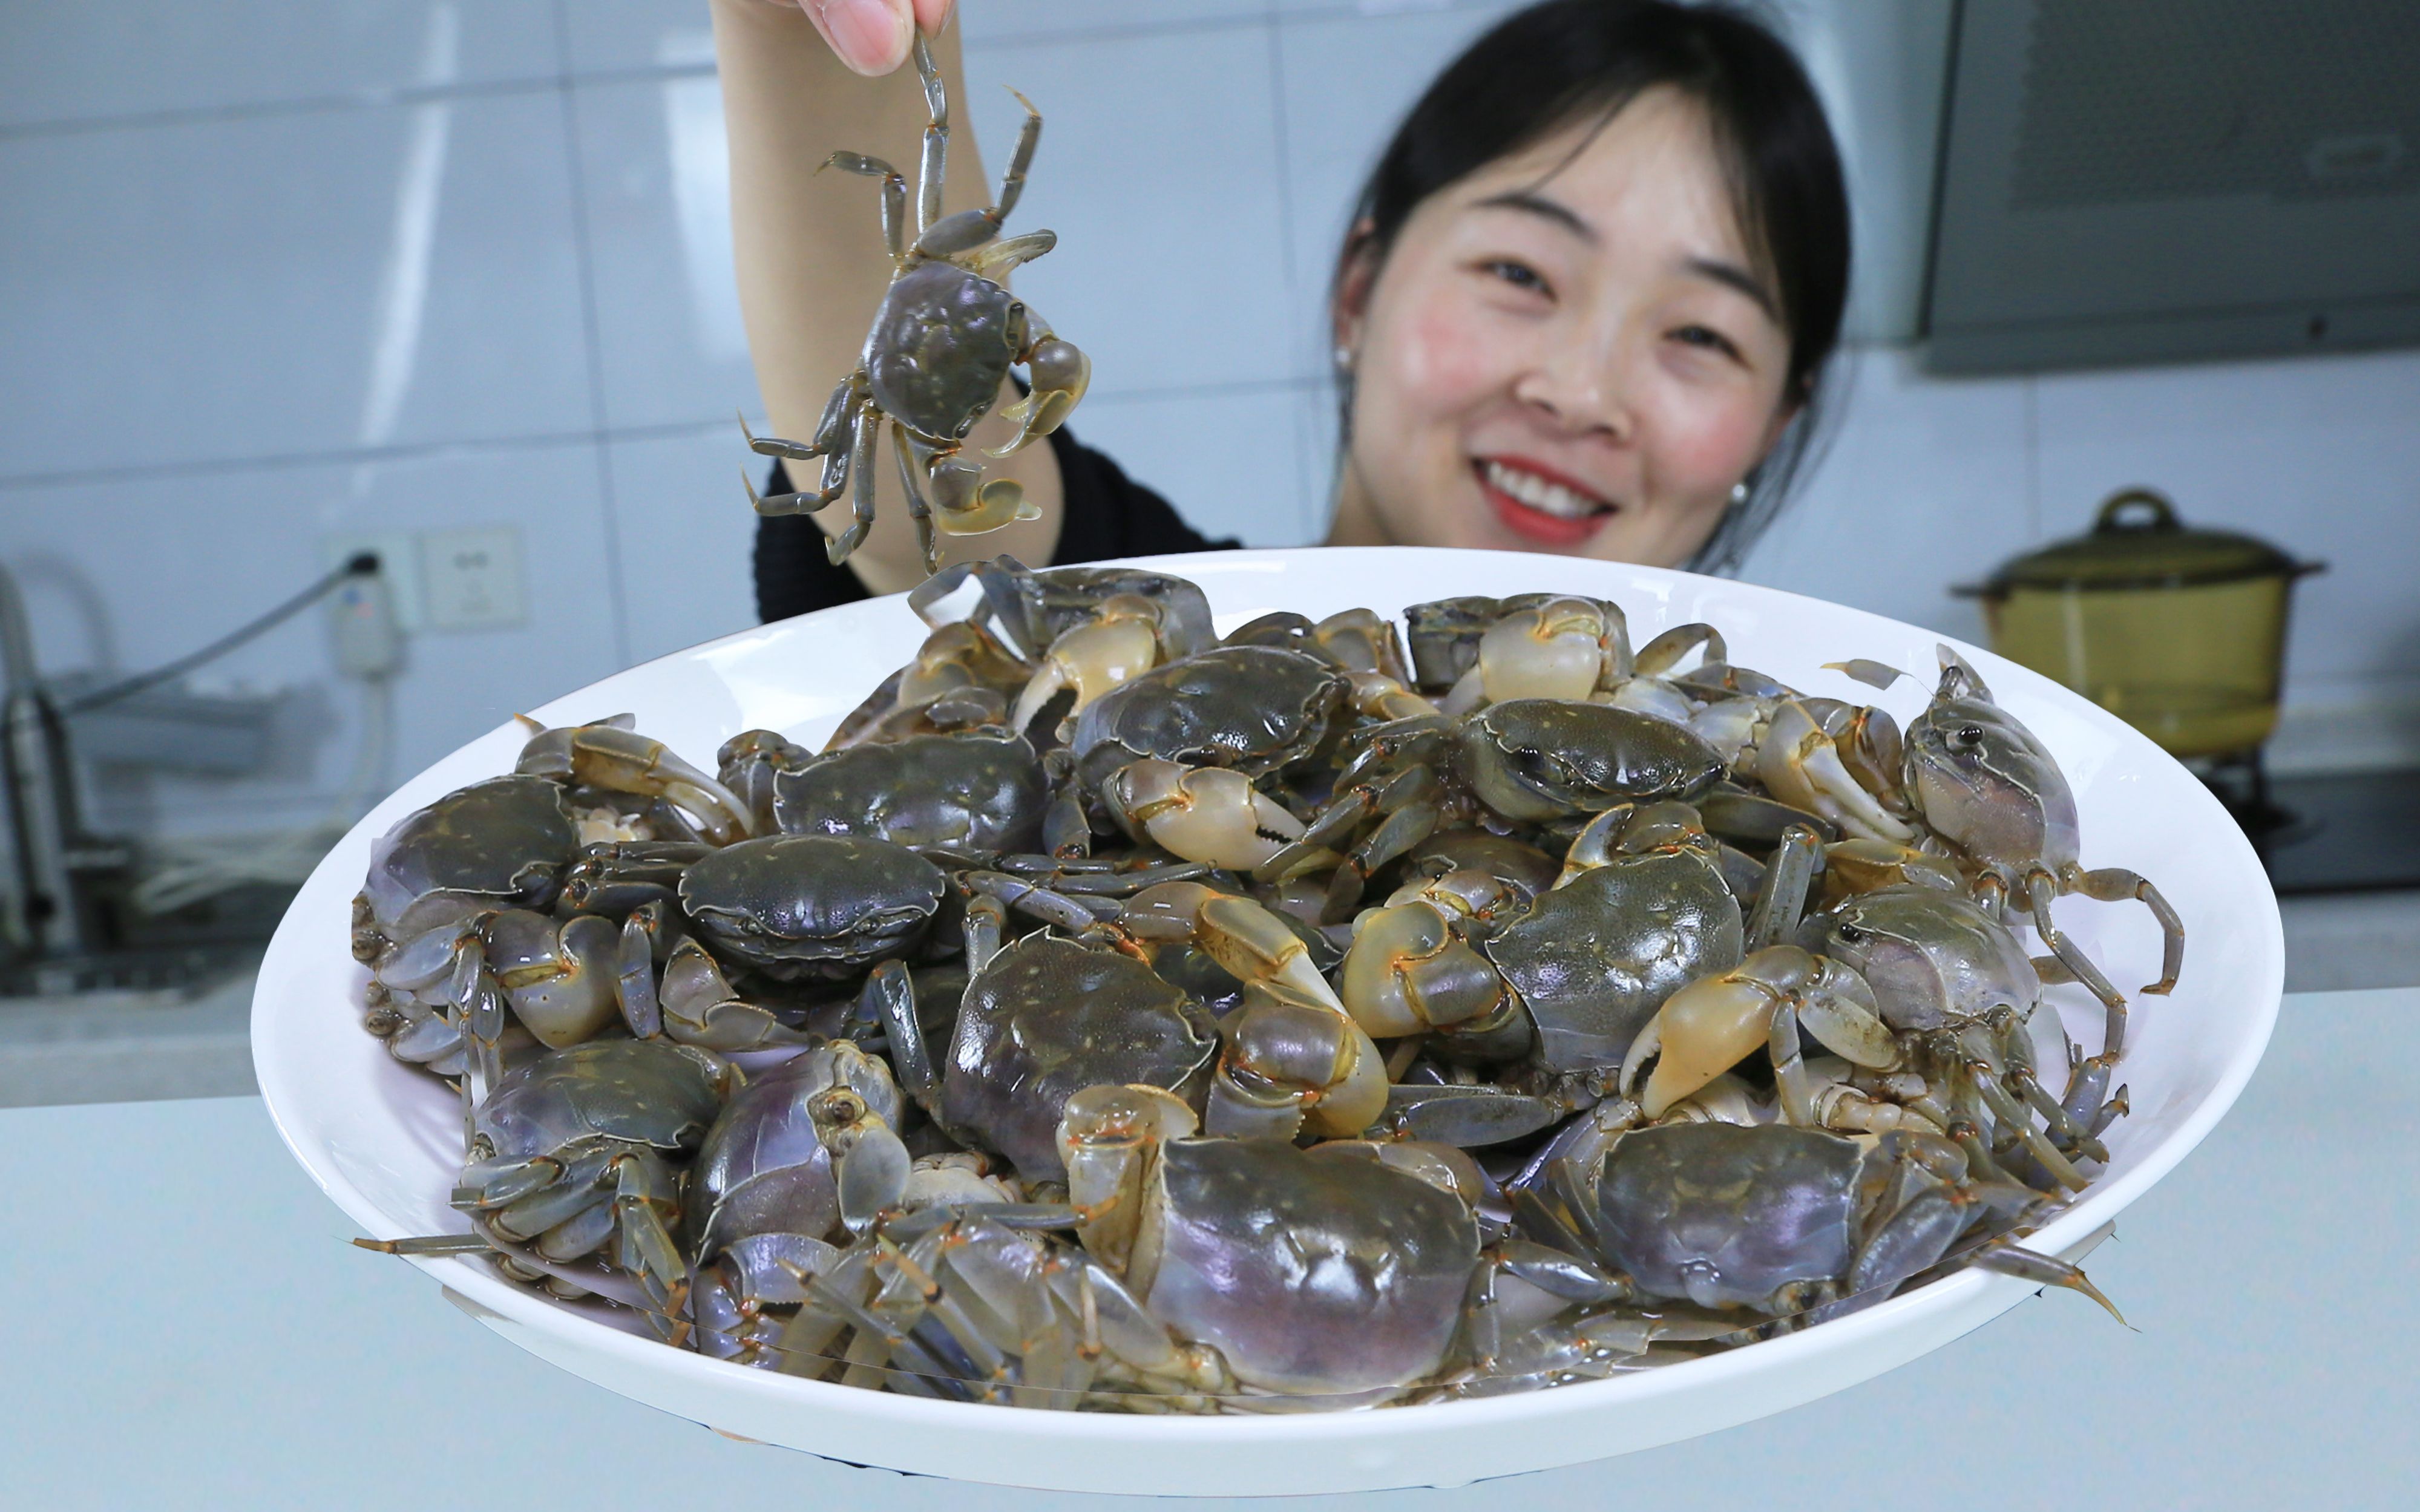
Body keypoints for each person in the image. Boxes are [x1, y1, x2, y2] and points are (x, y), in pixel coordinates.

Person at [715, 0, 1849, 622]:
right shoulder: (1140, 629)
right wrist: (810, 34)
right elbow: (942, 510)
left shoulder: (1835, 830)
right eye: (1521, 274)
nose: (1581, 391)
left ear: (1778, 424)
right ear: (1360, 289)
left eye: (1700, 335)